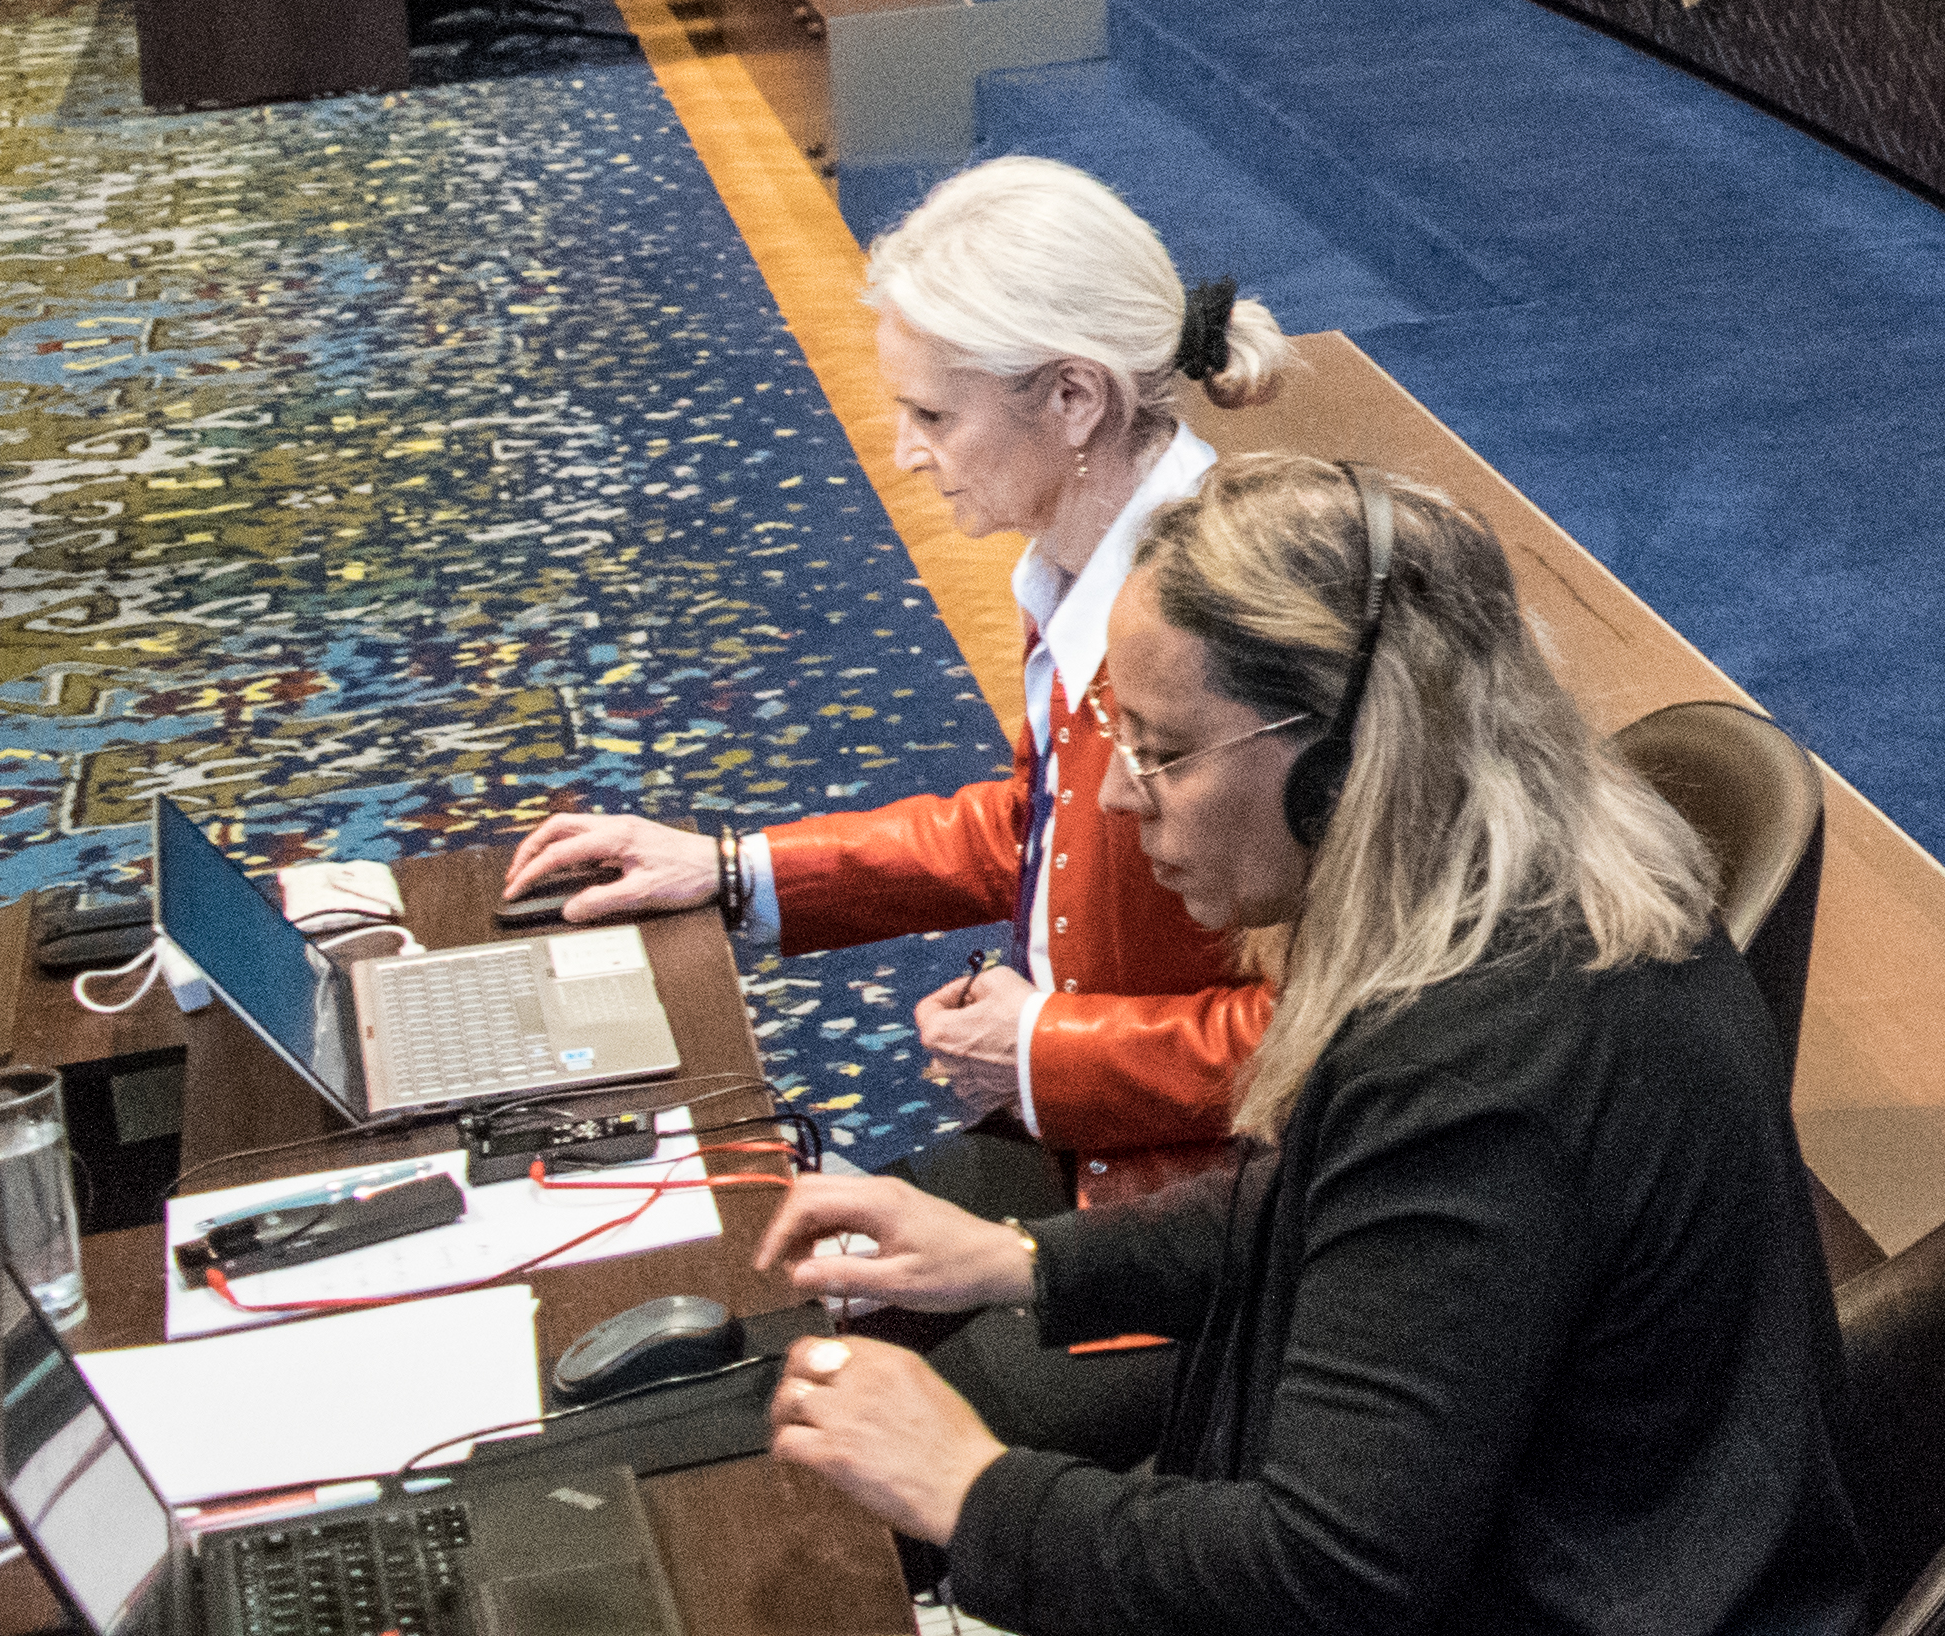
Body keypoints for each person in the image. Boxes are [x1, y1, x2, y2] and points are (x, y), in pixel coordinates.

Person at [754, 456, 1880, 1636]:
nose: (1126, 801)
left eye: (1164, 749)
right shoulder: (1516, 897)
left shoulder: (1483, 1073)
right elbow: (1331, 1208)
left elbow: (1325, 1576)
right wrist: (1024, 1260)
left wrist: (969, 1489)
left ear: (1345, 758)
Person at [513, 161, 1291, 1259]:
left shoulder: (1231, 637)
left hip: (1220, 1220)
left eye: (933, 412)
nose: (902, 450)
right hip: (1112, 1147)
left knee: (818, 1357)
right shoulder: (1084, 567)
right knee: (771, 1266)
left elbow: (1346, 1036)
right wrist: (738, 868)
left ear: (1074, 399)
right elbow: (1043, 823)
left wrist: (1044, 1046)